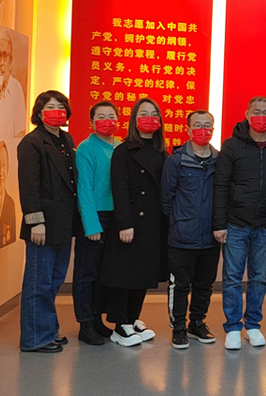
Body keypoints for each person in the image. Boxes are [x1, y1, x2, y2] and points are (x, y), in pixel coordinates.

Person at [213, 96, 266, 351]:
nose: (262, 116)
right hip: (235, 224)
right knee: (232, 277)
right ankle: (233, 327)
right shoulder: (232, 145)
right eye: (257, 111)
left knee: (259, 278)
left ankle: (252, 325)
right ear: (247, 113)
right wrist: (219, 223)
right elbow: (221, 185)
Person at [99, 98, 169, 347]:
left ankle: (132, 317)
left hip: (153, 223)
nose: (149, 118)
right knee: (124, 274)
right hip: (131, 223)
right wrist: (125, 223)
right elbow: (120, 190)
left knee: (143, 274)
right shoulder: (123, 151)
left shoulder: (162, 152)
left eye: (154, 114)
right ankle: (120, 324)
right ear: (134, 120)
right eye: (144, 113)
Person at [17, 91, 78, 353]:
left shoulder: (66, 139)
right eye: (50, 107)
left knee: (54, 280)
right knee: (38, 282)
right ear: (39, 112)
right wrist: (35, 222)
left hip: (63, 222)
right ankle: (34, 339)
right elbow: (29, 186)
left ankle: (48, 329)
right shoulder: (31, 142)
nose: (57, 111)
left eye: (61, 106)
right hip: (42, 224)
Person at [162, 110, 221, 350]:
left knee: (205, 284)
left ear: (213, 130)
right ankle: (178, 327)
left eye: (207, 126)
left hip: (210, 237)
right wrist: (180, 222)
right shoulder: (175, 161)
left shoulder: (220, 161)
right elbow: (166, 200)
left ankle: (197, 323)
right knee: (180, 285)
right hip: (182, 237)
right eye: (197, 125)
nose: (202, 130)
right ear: (188, 130)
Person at [72, 101, 119, 346]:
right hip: (95, 217)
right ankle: (85, 324)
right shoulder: (85, 149)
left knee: (104, 274)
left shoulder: (120, 147)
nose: (107, 121)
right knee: (86, 273)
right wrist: (91, 225)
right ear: (92, 122)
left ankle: (98, 319)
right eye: (101, 116)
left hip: (115, 217)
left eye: (111, 116)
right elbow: (85, 190)